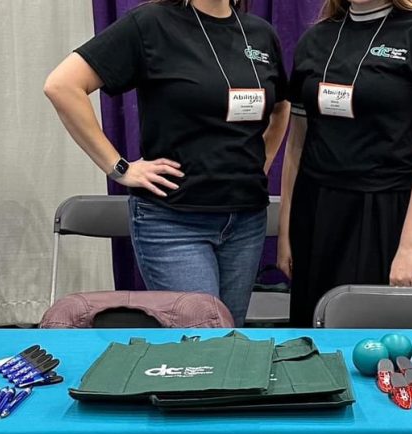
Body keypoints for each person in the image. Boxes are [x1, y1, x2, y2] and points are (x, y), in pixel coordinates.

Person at [44, 0, 290, 326]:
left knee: (229, 337)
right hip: (174, 222)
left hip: (246, 222)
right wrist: (119, 167)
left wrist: (263, 162)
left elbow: (281, 106)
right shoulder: (151, 24)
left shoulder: (260, 34)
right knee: (202, 334)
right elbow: (62, 86)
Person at [279, 0, 412, 326]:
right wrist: (285, 231)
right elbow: (296, 145)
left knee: (375, 337)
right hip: (317, 212)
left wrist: (409, 248)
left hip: (387, 215)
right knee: (315, 330)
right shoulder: (315, 39)